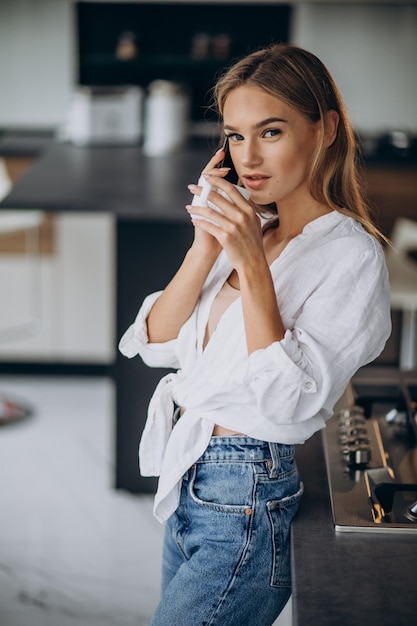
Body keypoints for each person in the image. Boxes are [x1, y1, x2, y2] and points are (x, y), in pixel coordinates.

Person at [119, 44, 391, 626]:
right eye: (235, 137)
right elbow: (155, 343)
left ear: (326, 131)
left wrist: (254, 266)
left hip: (247, 492)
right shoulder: (247, 227)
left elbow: (291, 398)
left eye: (270, 131)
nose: (248, 156)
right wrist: (205, 249)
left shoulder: (351, 256)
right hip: (192, 475)